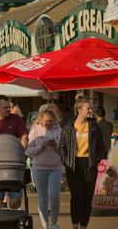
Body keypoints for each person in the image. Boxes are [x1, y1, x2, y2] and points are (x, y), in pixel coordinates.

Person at [58, 97, 106, 229]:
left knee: (87, 198)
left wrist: (96, 160)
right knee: (77, 197)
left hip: (90, 164)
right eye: (88, 108)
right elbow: (62, 146)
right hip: (73, 164)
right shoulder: (68, 126)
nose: (90, 110)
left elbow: (102, 146)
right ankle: (75, 225)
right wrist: (66, 161)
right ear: (79, 110)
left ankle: (84, 226)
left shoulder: (94, 125)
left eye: (90, 108)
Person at [26, 110, 62, 229]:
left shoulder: (59, 130)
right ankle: (45, 225)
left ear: (54, 120)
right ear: (41, 120)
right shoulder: (35, 130)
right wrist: (41, 146)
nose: (48, 123)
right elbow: (28, 151)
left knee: (54, 196)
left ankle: (54, 223)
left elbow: (64, 152)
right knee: (42, 198)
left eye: (51, 121)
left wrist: (55, 146)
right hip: (39, 168)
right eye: (46, 121)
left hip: (55, 167)